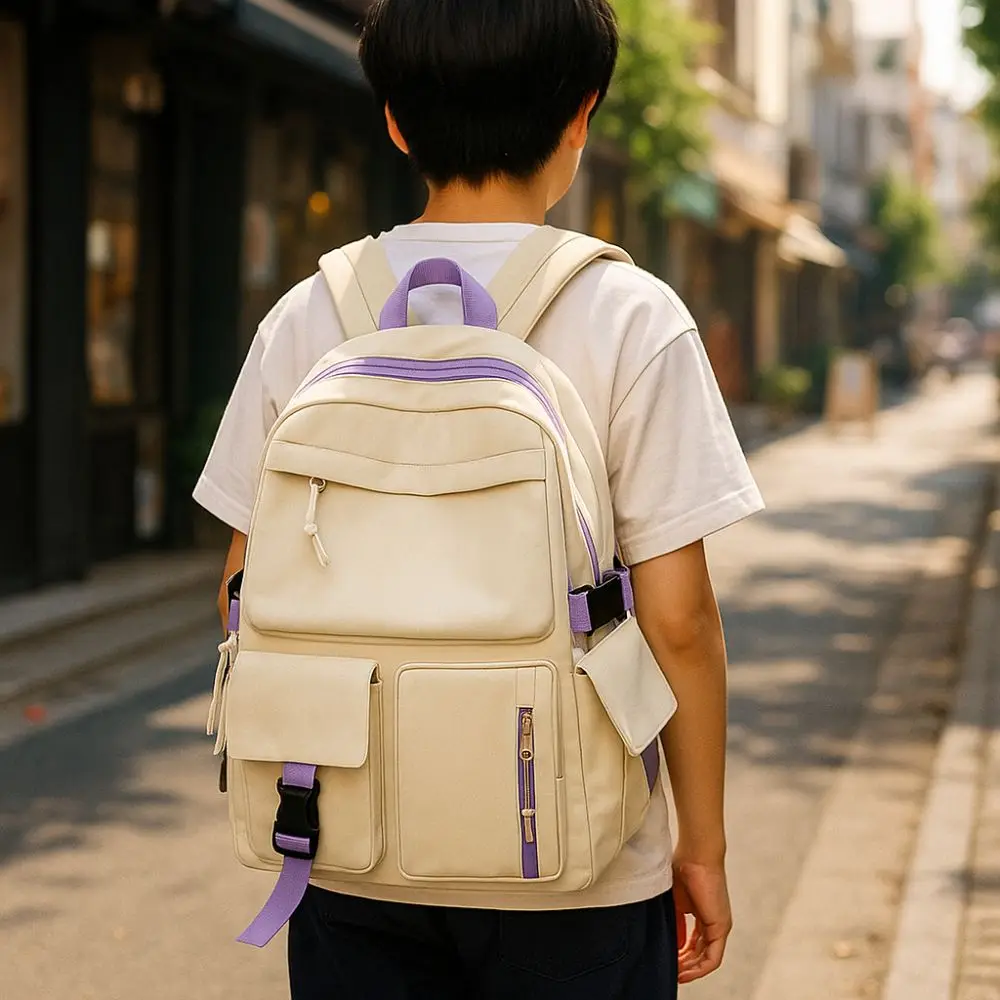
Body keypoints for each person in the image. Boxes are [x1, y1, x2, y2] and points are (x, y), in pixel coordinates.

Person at [194, 1, 764, 995]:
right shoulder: (631, 316)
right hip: (571, 856)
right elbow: (679, 619)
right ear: (580, 116)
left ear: (396, 122)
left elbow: (243, 586)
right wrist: (700, 844)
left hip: (345, 837)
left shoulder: (311, 311)